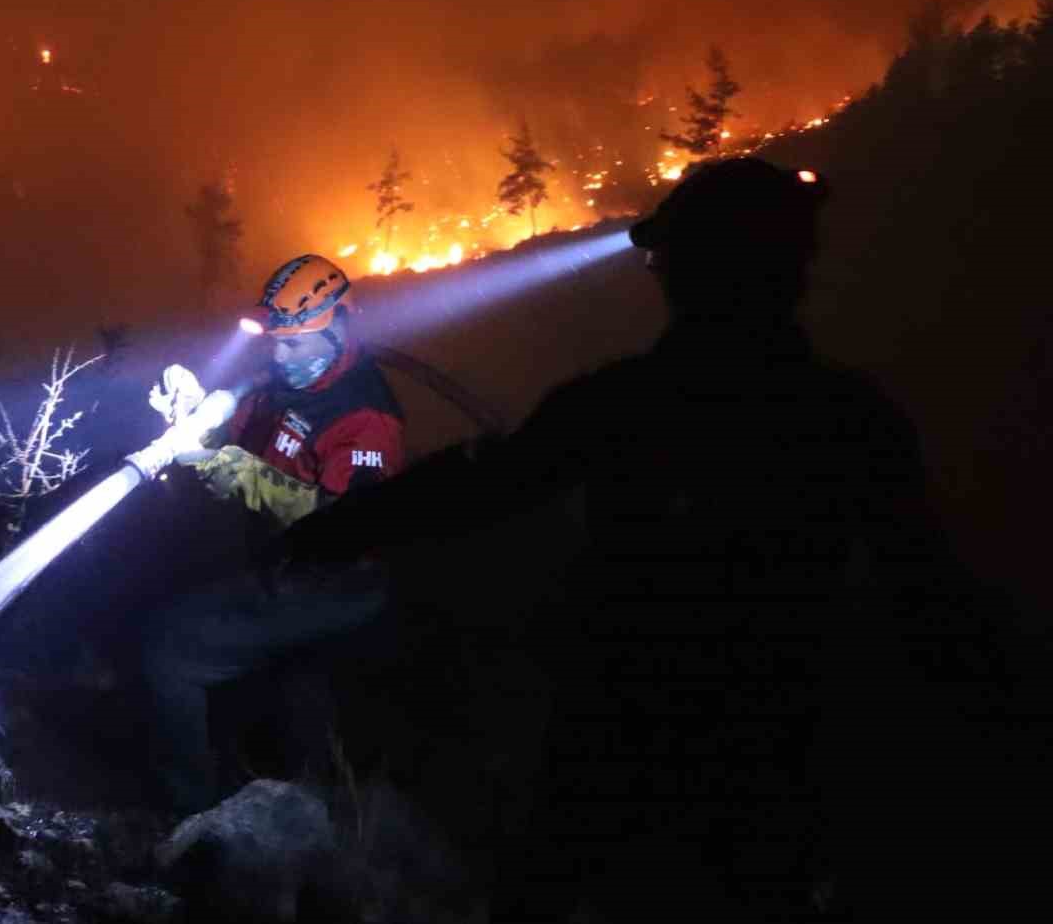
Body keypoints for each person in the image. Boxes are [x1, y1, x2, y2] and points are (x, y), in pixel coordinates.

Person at [280, 158, 953, 920]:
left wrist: (334, 530)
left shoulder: (621, 405)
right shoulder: (855, 420)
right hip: (776, 756)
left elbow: (485, 484)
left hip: (616, 743)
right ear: (797, 266)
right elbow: (925, 601)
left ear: (680, 272)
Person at [141, 254, 405, 814]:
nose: (279, 356)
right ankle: (253, 781)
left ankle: (185, 815)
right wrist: (191, 413)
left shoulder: (366, 419)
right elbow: (236, 438)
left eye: (293, 344)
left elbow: (340, 521)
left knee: (169, 648)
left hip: (333, 584)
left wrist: (220, 465)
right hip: (284, 564)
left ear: (337, 327)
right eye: (275, 342)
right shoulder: (286, 382)